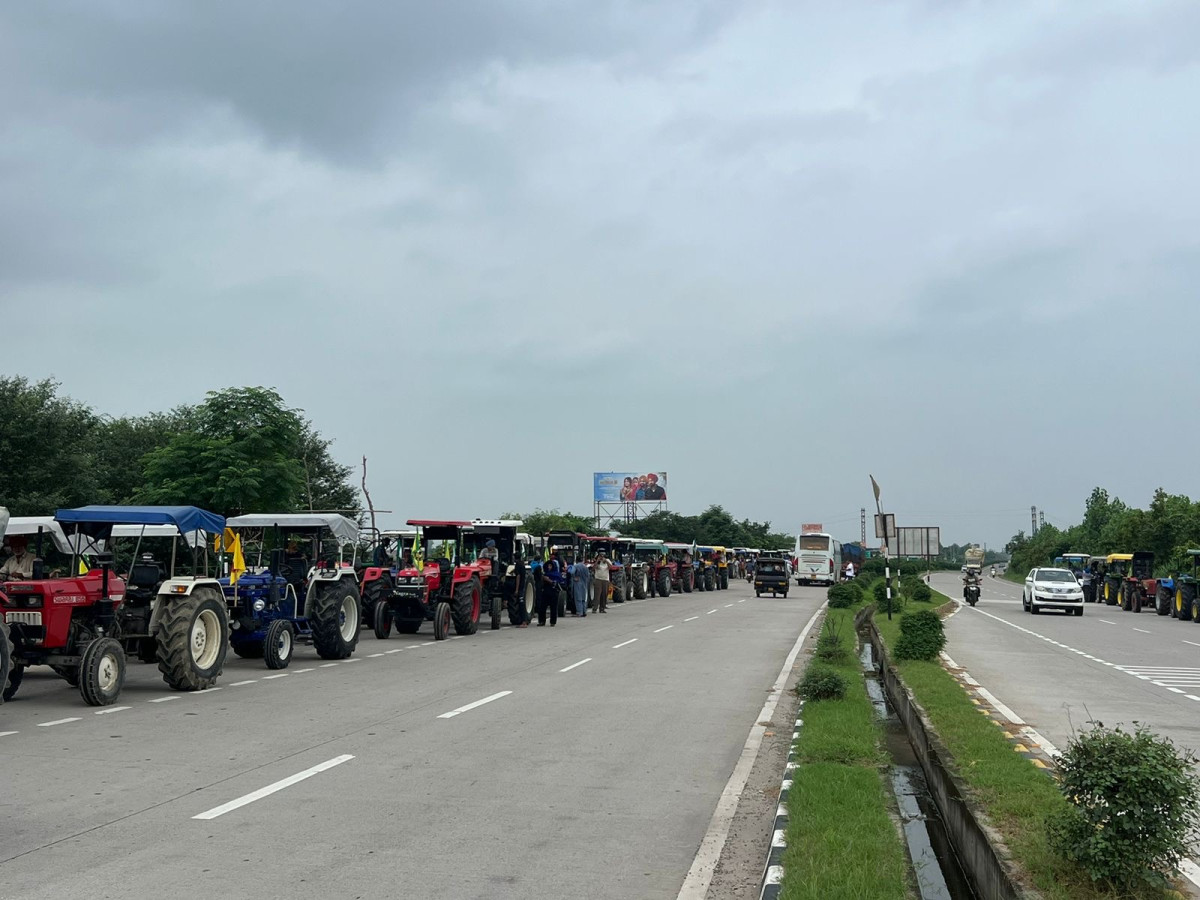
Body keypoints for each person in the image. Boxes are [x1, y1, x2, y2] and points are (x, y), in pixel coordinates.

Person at [538, 550, 564, 626]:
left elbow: (557, 582)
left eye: (550, 566)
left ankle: (553, 622)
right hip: (545, 592)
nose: (549, 567)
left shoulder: (556, 574)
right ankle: (542, 621)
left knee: (553, 608)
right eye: (548, 566)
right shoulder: (545, 573)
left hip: (554, 592)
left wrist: (549, 580)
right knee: (542, 607)